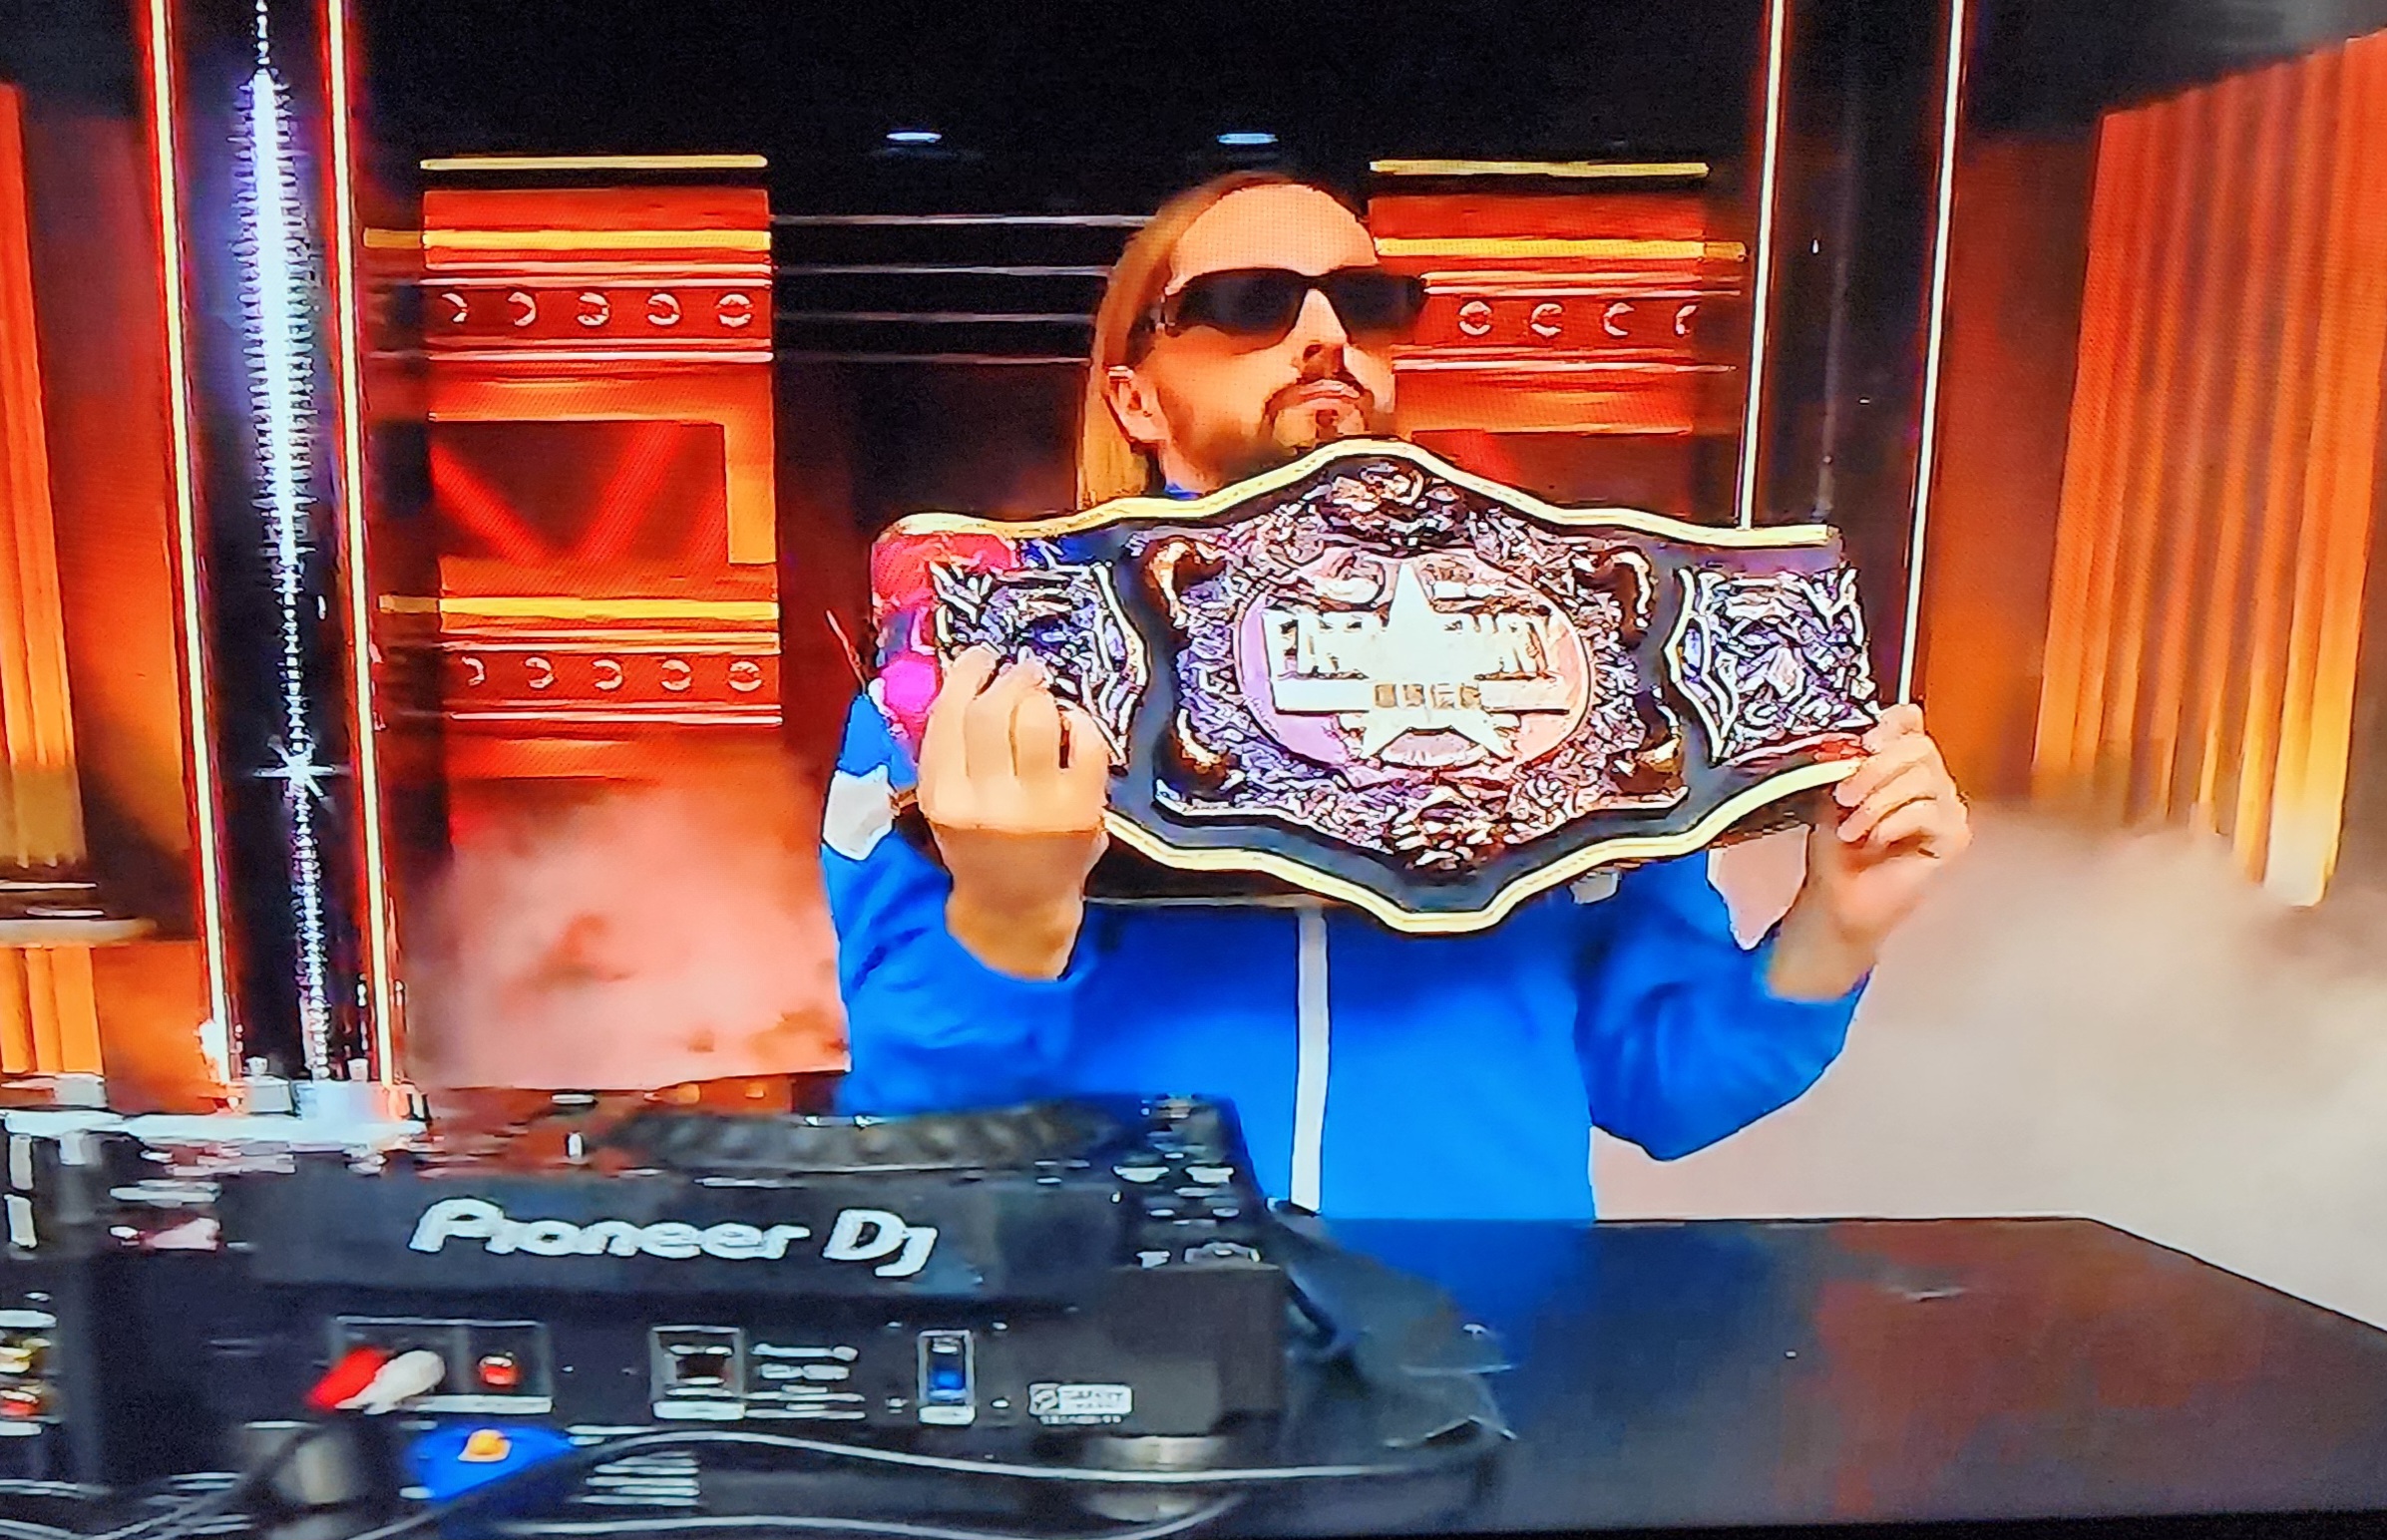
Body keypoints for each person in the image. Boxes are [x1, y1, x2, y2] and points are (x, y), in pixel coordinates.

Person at [819, 171, 1970, 1220]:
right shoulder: (970, 680)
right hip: (1130, 1342)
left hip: (1487, 1338)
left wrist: (1834, 924)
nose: (1322, 336)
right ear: (1136, 398)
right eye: (1250, 303)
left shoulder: (1582, 662)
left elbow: (1660, 1086)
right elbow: (910, 1123)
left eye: (1364, 304)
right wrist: (1007, 922)